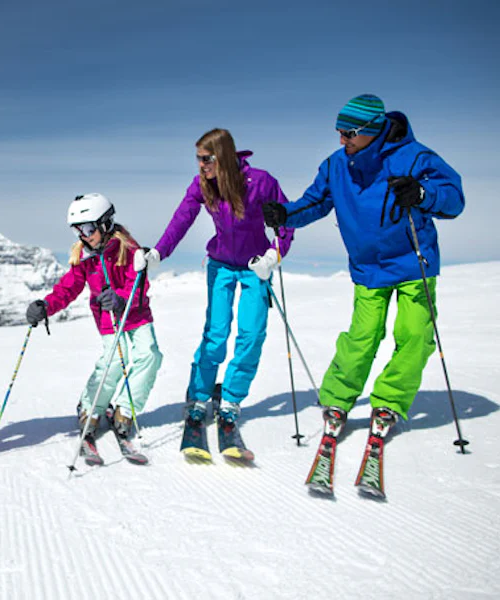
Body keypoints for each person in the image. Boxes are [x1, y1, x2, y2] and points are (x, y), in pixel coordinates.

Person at [262, 93, 465, 442]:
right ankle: (338, 399)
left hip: (414, 263)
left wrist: (421, 194)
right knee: (363, 336)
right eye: (338, 132)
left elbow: (453, 197)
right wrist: (286, 215)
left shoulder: (415, 157)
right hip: (368, 268)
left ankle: (389, 400)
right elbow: (317, 202)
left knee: (415, 336)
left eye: (348, 133)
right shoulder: (336, 165)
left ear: (372, 130)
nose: (341, 139)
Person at [135, 128, 294, 458]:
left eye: (206, 159)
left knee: (251, 334)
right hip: (220, 264)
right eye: (198, 159)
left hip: (254, 267)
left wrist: (274, 256)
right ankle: (198, 398)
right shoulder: (202, 185)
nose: (201, 165)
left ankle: (231, 400)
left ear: (223, 156)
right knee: (216, 334)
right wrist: (159, 253)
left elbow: (285, 221)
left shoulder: (261, 182)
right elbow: (182, 218)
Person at [25, 193, 162, 459]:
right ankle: (90, 407)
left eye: (88, 228)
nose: (83, 236)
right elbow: (68, 288)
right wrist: (46, 306)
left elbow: (140, 284)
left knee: (149, 355)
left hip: (136, 314)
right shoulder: (84, 257)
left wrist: (122, 299)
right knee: (112, 361)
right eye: (78, 230)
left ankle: (124, 409)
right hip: (108, 319)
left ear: (106, 223)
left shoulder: (131, 250)